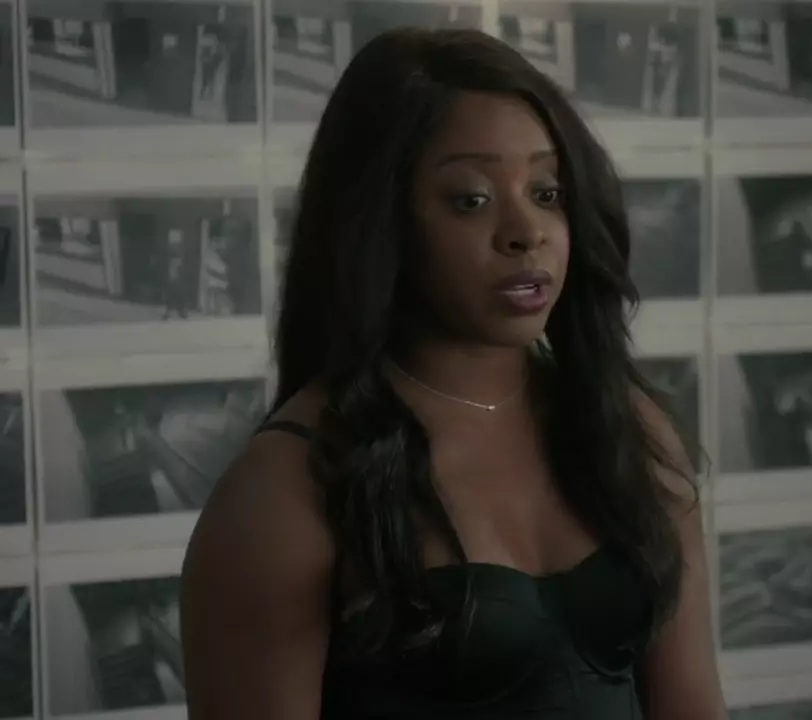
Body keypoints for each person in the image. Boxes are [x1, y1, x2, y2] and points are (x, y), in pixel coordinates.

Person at [179, 27, 726, 720]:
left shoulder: (627, 429)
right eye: (471, 199)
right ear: (380, 221)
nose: (525, 231)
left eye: (547, 191)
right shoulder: (287, 489)